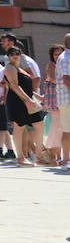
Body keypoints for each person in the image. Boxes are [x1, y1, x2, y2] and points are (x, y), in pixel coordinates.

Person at [0, 46, 43, 165]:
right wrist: (28, 100)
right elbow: (14, 86)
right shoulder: (10, 67)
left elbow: (27, 87)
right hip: (17, 101)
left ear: (21, 55)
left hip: (26, 100)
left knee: (39, 124)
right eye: (11, 53)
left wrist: (38, 98)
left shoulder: (21, 68)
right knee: (19, 127)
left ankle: (39, 155)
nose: (15, 55)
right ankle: (20, 157)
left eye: (17, 53)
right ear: (8, 56)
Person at [42, 44, 63, 166]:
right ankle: (57, 157)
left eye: (60, 53)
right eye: (55, 54)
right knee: (57, 129)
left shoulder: (64, 65)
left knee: (60, 129)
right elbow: (53, 79)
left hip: (62, 101)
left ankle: (57, 157)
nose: (58, 56)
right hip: (55, 103)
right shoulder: (51, 65)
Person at [57, 34, 70, 168]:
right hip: (67, 99)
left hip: (66, 99)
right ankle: (66, 160)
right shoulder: (66, 58)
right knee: (68, 130)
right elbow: (66, 79)